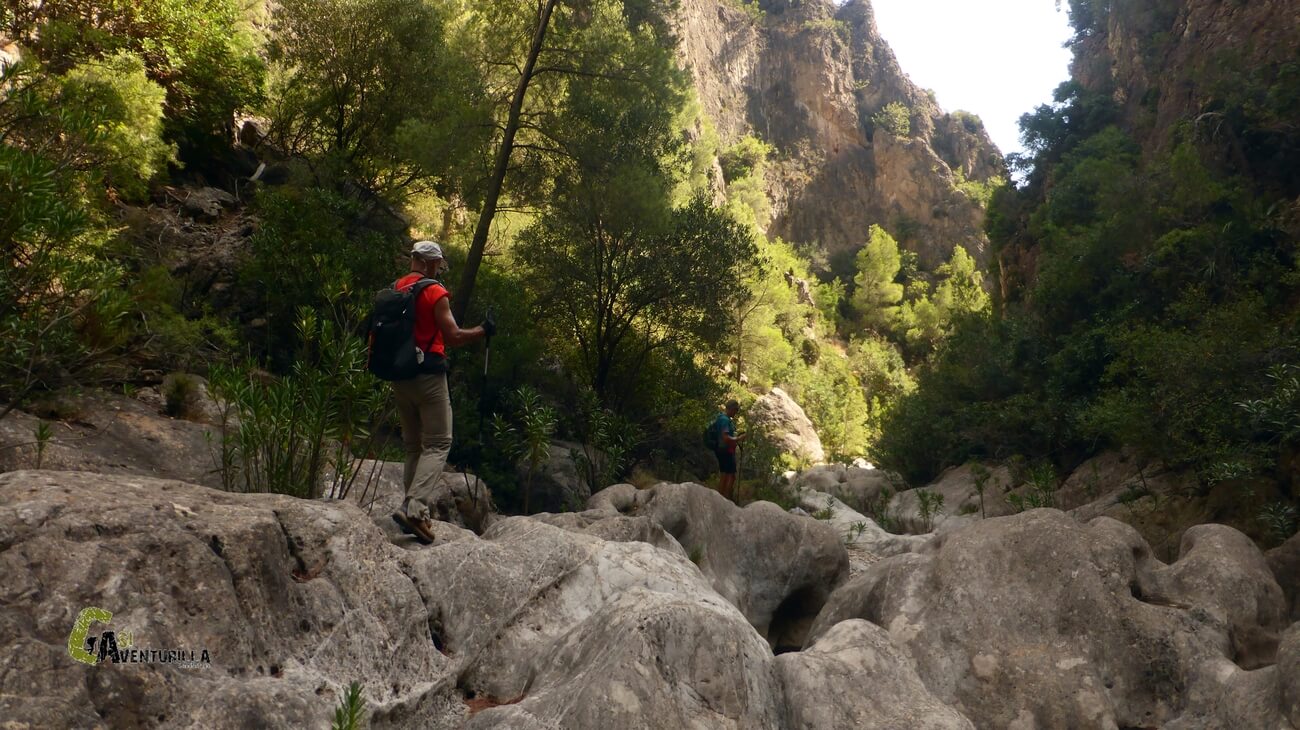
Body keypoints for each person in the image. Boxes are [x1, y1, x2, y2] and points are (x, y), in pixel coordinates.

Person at [390, 240, 495, 544]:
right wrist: (483, 331)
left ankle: (413, 513)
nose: (439, 269)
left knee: (413, 447)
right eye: (438, 264)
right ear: (431, 263)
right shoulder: (434, 292)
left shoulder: (396, 288)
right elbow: (453, 335)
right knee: (437, 443)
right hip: (428, 377)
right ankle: (415, 508)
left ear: (414, 260)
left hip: (399, 376)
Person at [711, 399, 747, 502]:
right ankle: (722, 499)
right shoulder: (725, 420)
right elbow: (726, 438)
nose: (736, 413)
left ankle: (723, 498)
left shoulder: (722, 418)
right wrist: (739, 438)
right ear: (731, 409)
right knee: (727, 475)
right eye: (736, 410)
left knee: (729, 475)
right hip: (725, 451)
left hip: (724, 450)